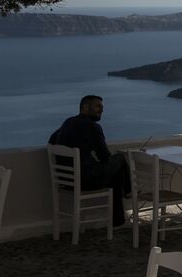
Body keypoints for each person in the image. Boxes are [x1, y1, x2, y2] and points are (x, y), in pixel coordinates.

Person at [49, 94, 131, 227]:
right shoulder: (93, 127)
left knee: (116, 174)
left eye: (102, 107)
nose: (102, 110)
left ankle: (118, 219)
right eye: (98, 106)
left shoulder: (68, 122)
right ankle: (128, 192)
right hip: (85, 180)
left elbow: (52, 142)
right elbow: (105, 157)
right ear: (85, 108)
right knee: (120, 159)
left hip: (66, 181)